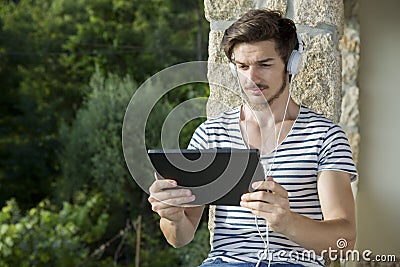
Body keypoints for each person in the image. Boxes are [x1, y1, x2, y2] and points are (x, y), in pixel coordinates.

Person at [148, 9, 357, 267]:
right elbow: (179, 237)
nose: (251, 78)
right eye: (243, 66)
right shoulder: (210, 134)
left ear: (292, 64)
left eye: (264, 65)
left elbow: (344, 242)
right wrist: (172, 217)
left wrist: (287, 222)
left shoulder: (325, 136)